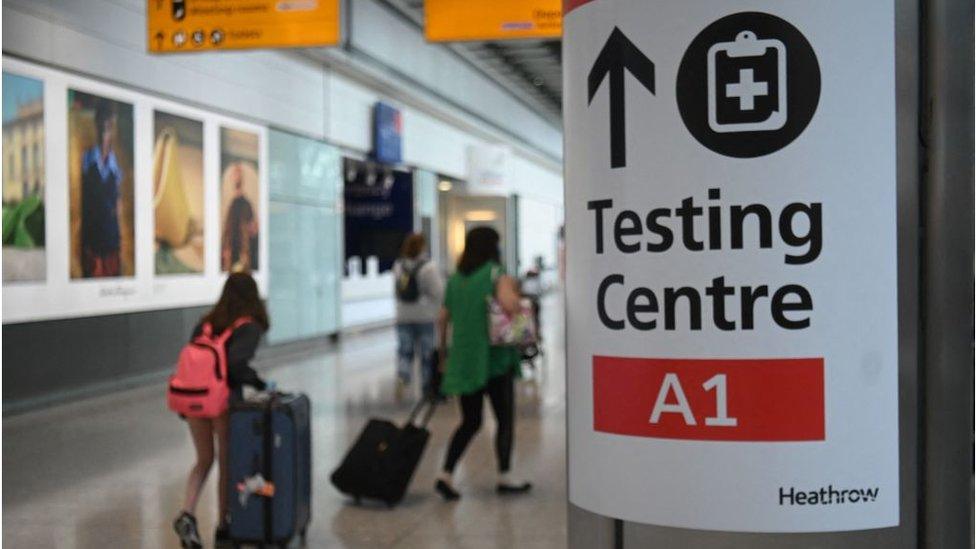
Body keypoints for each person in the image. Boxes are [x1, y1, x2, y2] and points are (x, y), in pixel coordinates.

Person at [435, 227, 532, 500]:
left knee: (470, 421)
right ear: (493, 247)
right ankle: (505, 476)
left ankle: (445, 473)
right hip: (494, 361)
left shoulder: (455, 280)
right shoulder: (494, 273)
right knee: (504, 419)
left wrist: (442, 357)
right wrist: (515, 292)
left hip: (464, 361)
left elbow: (442, 319)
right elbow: (510, 305)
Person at [173, 273, 269, 548]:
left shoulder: (205, 323)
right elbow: (236, 365)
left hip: (193, 398)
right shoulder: (248, 326)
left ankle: (188, 514)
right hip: (222, 401)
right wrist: (259, 382)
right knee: (228, 462)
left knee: (204, 459)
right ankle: (225, 526)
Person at [392, 233, 444, 399]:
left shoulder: (399, 265)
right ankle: (427, 387)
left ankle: (403, 375)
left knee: (404, 350)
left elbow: (396, 291)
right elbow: (438, 292)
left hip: (403, 315)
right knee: (426, 354)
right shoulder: (429, 267)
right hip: (425, 316)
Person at [80, 99, 123, 277]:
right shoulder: (87, 159)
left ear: (111, 131)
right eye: (101, 128)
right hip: (92, 236)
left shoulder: (116, 166)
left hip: (111, 237)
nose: (103, 134)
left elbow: (118, 204)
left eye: (107, 129)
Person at [221, 164, 259, 272]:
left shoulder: (246, 204)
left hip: (244, 252)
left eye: (238, 173)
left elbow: (252, 229)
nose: (236, 176)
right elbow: (227, 229)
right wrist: (225, 249)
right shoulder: (230, 203)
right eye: (234, 174)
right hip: (231, 252)